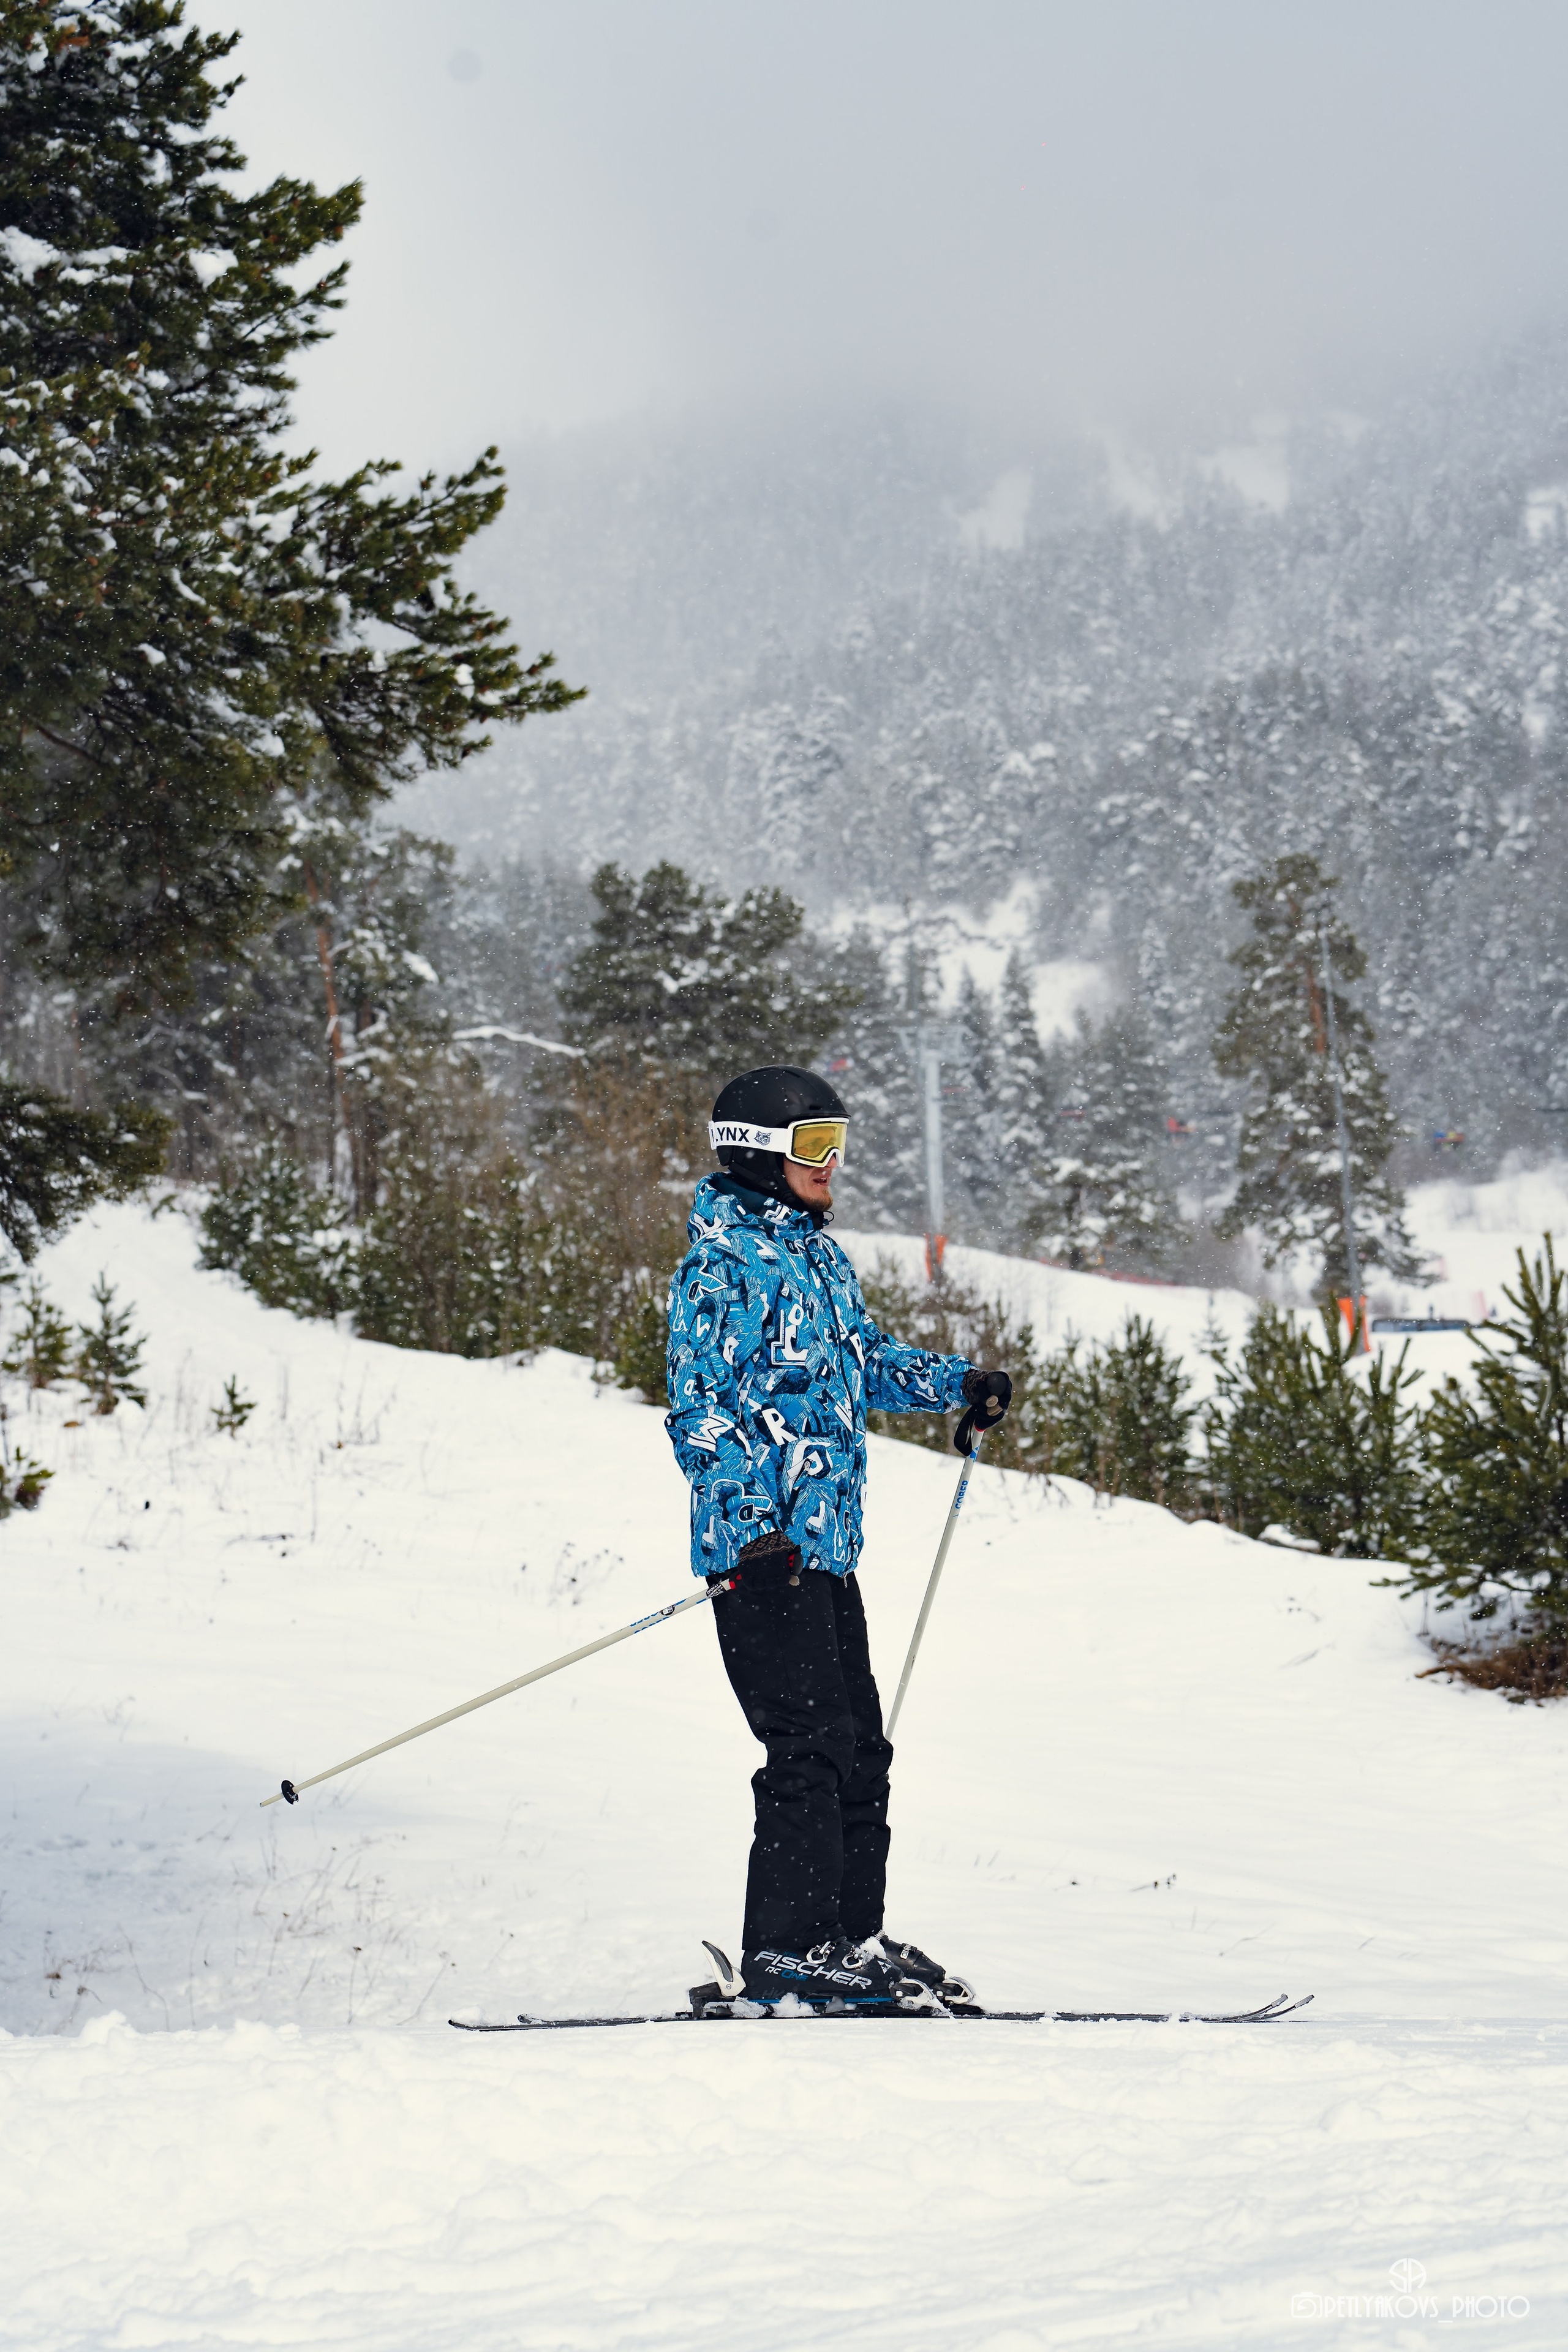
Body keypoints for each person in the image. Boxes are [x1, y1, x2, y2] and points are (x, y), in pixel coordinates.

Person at [665, 1064, 1012, 2011]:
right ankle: (785, 1953)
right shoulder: (721, 1267)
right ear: (758, 1152)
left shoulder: (816, 1259)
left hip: (822, 1547)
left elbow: (862, 1367)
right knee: (808, 1747)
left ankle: (847, 1941)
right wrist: (750, 1530)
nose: (833, 1165)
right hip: (763, 1555)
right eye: (814, 1146)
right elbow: (698, 1412)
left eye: (839, 1144)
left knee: (860, 1747)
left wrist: (956, 1384)